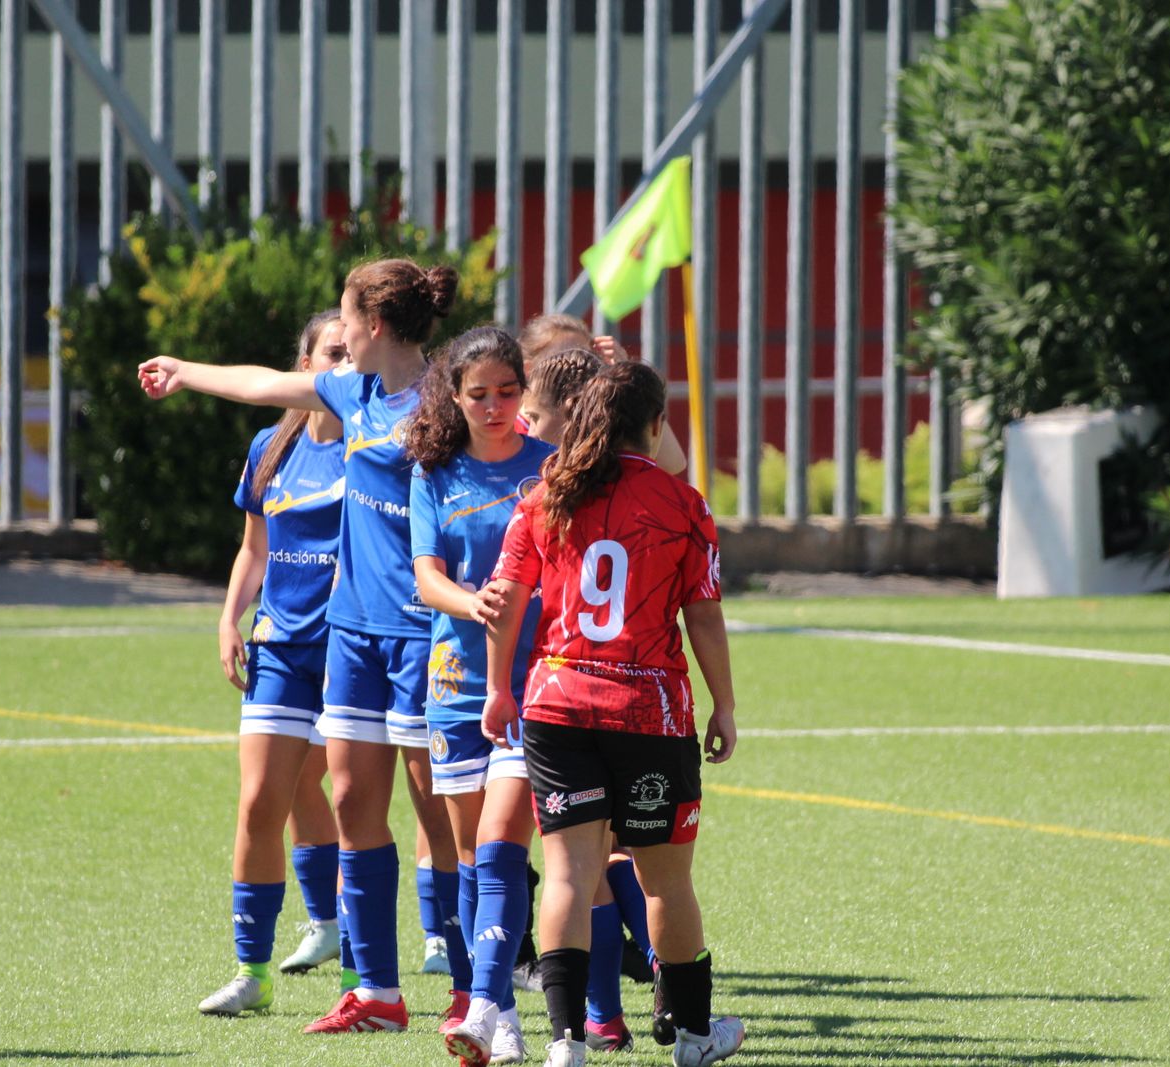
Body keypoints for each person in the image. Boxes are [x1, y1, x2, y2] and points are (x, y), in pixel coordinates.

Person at [139, 259, 464, 1036]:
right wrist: (185, 370)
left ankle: (470, 984)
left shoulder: (445, 401)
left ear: (374, 325)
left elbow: (508, 467)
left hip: (421, 632)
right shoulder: (353, 393)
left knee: (436, 812)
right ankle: (376, 992)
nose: (339, 332)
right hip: (352, 632)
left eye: (347, 318)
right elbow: (261, 384)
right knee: (352, 801)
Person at [481, 361, 746, 1067]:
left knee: (567, 874)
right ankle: (693, 1037)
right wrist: (723, 702)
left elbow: (505, 597)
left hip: (556, 705)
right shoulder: (682, 503)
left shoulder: (545, 496)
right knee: (665, 880)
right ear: (655, 426)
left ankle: (565, 1043)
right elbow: (705, 617)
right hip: (648, 712)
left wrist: (496, 688)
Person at [404, 326, 556, 1066]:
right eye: (479, 395)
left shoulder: (551, 468)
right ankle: (485, 1008)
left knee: (501, 847)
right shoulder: (434, 473)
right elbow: (425, 576)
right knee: (468, 855)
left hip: (536, 685)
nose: (495, 407)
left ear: (523, 390)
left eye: (507, 392)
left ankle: (494, 1005)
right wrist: (476, 604)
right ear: (455, 399)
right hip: (455, 684)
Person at [197, 311, 348, 1016]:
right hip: (282, 645)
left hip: (355, 647)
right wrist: (231, 617)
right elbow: (254, 548)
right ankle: (250, 972)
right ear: (304, 362)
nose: (345, 365)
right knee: (262, 800)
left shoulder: (377, 443)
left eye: (355, 352)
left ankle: (380, 966)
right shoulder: (271, 445)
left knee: (350, 799)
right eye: (332, 353)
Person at [517, 313, 688, 477]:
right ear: (528, 370)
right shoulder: (506, 426)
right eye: (562, 358)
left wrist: (626, 376)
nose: (577, 364)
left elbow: (672, 464)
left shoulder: (599, 421)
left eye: (588, 356)